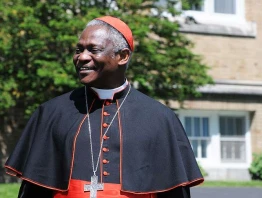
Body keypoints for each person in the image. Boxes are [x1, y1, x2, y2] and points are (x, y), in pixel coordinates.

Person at [5, 15, 204, 198]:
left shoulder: (160, 118)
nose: (82, 57)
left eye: (93, 49)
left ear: (123, 56)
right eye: (78, 49)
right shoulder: (50, 113)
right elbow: (33, 191)